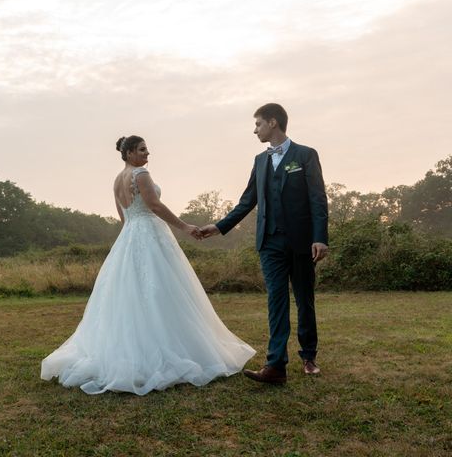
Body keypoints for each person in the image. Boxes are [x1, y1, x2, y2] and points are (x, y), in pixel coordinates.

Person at [41, 135, 255, 395]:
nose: (147, 153)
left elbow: (123, 216)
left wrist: (134, 231)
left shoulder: (117, 180)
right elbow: (154, 205)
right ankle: (168, 349)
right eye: (142, 149)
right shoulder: (141, 174)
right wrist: (185, 227)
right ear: (130, 152)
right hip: (150, 232)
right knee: (163, 288)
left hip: (130, 236)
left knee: (131, 292)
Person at [201, 103, 328, 384]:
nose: (255, 129)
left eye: (258, 124)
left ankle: (308, 356)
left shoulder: (305, 155)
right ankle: (276, 366)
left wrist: (320, 237)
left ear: (273, 122)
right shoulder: (259, 161)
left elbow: (318, 198)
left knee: (304, 299)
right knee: (276, 300)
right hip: (269, 242)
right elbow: (247, 201)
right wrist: (219, 227)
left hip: (302, 241)